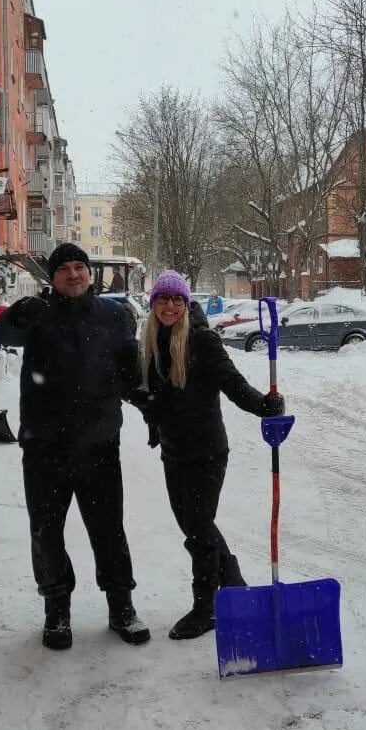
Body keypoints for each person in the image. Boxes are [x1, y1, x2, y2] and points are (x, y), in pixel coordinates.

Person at [0, 243, 150, 651]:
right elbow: (0, 333)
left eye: (81, 266)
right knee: (46, 531)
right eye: (65, 268)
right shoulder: (38, 313)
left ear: (90, 273)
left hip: (99, 445)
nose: (74, 273)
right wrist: (18, 313)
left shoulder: (114, 316)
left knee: (109, 530)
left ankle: (122, 606)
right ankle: (56, 610)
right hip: (44, 447)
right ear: (53, 277)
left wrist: (154, 411)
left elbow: (129, 374)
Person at [134, 270, 284, 640]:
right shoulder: (150, 340)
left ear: (186, 304)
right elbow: (155, 393)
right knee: (194, 527)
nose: (170, 306)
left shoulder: (202, 339)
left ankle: (206, 607)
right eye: (163, 298)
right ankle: (233, 582)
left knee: (199, 531)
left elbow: (232, 383)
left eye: (177, 299)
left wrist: (264, 406)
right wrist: (152, 417)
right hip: (173, 452)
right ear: (153, 304)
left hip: (207, 453)